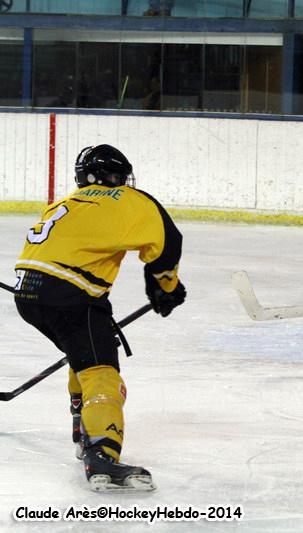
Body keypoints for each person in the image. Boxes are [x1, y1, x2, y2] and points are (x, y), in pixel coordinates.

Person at [14, 144, 186, 492]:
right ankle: (101, 455)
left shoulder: (64, 203)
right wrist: (166, 286)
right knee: (101, 372)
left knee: (83, 353)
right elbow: (166, 243)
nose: (123, 182)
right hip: (70, 294)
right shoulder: (128, 199)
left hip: (27, 292)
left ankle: (81, 419)